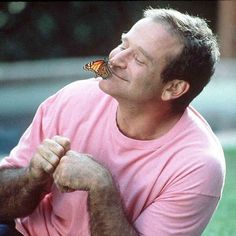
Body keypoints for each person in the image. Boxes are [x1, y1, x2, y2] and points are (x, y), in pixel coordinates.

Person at [0, 7, 225, 236]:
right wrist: (32, 176)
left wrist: (101, 186)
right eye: (124, 44)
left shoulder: (197, 165)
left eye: (138, 58)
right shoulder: (73, 98)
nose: (115, 59)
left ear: (173, 88)